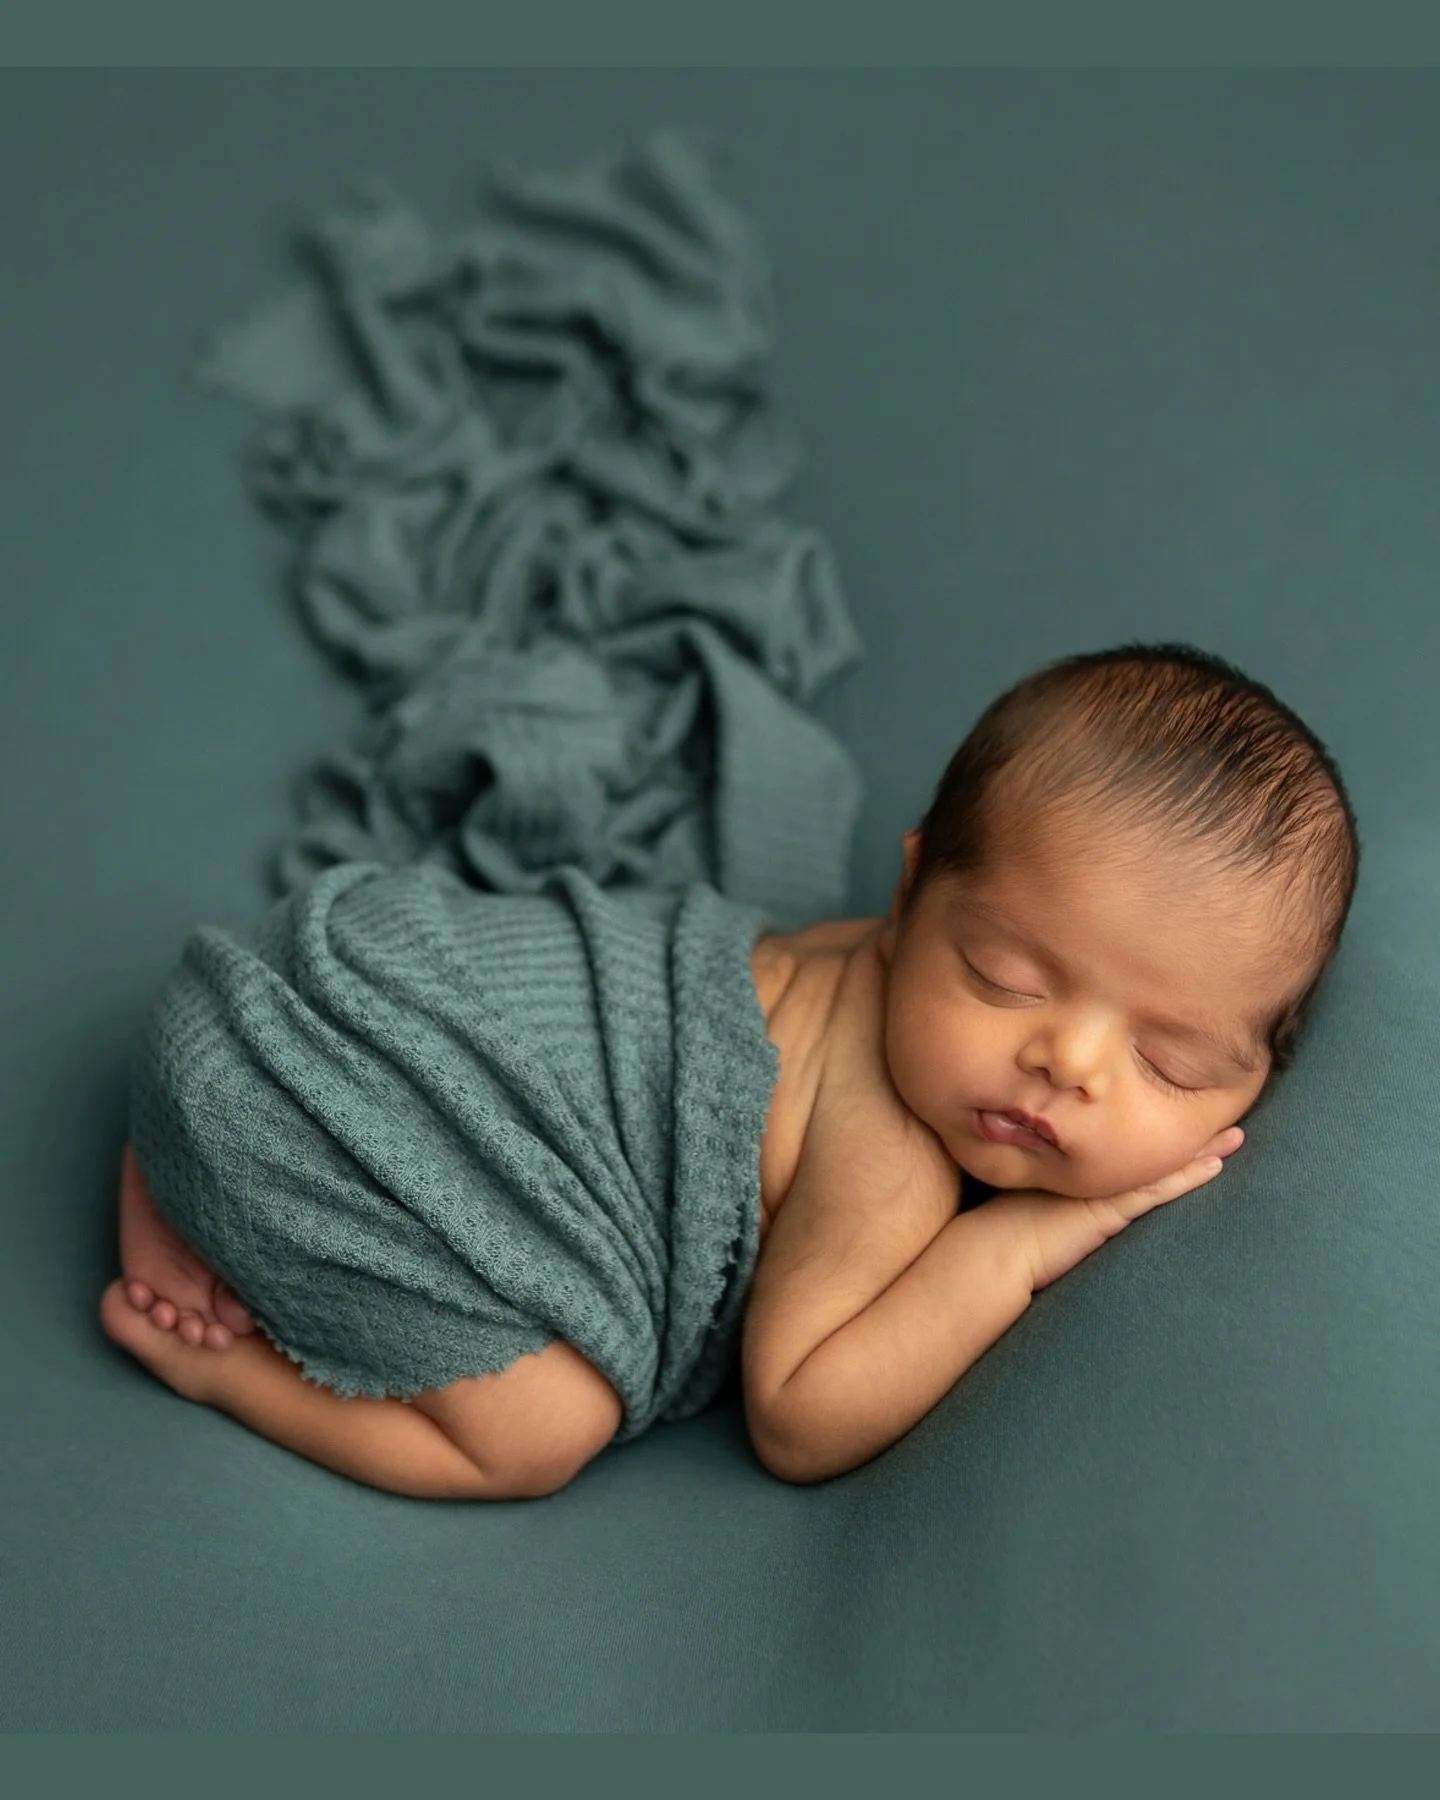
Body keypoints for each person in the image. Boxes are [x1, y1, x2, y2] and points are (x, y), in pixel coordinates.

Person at [98, 641, 1361, 1495]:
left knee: (252, 1101)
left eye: (1169, 1057)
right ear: (913, 893)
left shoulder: (845, 956)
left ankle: (184, 1153)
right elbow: (799, 1418)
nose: (1064, 1062)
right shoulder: (891, 1154)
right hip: (346, 1077)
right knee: (536, 1432)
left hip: (294, 981)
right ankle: (225, 1359)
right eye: (1005, 979)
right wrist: (1009, 1251)